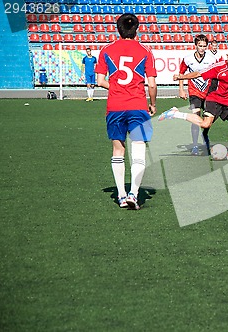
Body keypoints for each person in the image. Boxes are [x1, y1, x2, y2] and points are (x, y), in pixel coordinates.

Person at [158, 46, 228, 161]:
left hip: (225, 103)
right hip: (213, 100)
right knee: (205, 124)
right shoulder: (218, 68)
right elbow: (198, 73)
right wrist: (181, 77)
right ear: (227, 57)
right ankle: (175, 113)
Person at [95, 13, 157, 210]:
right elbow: (152, 84)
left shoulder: (106, 50)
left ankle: (121, 195)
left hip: (115, 106)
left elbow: (99, 81)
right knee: (138, 149)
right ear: (136, 29)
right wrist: (152, 103)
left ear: (118, 29)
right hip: (138, 106)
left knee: (118, 149)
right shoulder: (145, 51)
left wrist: (115, 89)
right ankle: (134, 193)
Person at [178, 34, 218, 155]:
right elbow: (181, 73)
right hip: (194, 91)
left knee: (207, 119)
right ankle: (195, 145)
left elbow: (216, 74)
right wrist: (181, 89)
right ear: (195, 46)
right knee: (195, 117)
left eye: (204, 46)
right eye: (200, 46)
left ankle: (205, 137)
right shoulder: (188, 58)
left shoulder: (212, 59)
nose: (202, 48)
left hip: (208, 92)